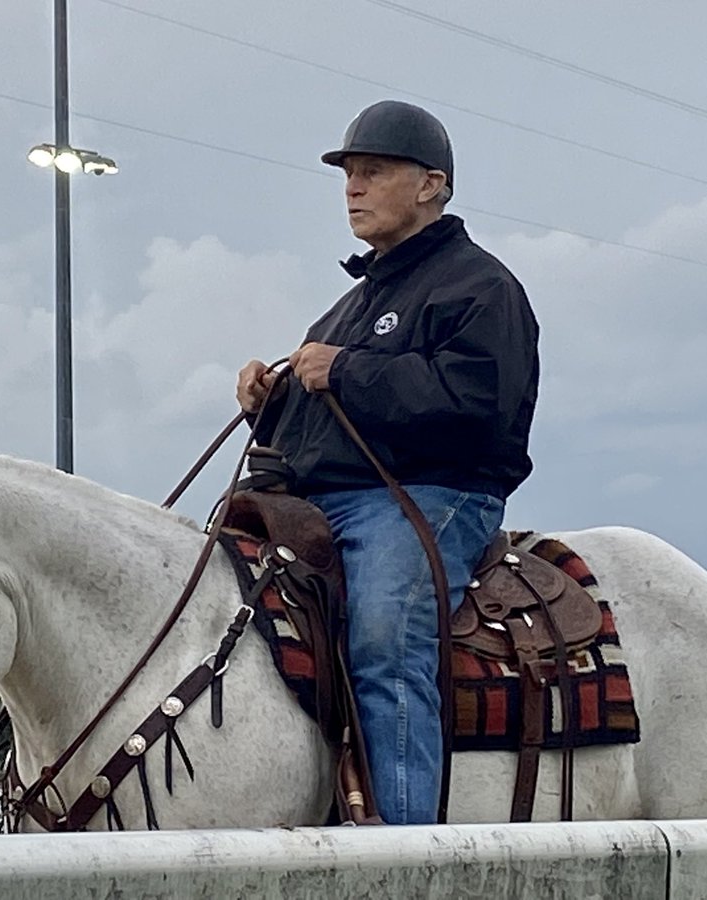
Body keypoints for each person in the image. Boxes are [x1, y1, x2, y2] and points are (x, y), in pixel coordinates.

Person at [235, 100, 539, 825]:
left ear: (432, 183)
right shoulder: (346, 308)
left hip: (432, 496)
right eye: (348, 173)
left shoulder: (481, 287)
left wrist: (348, 372)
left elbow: (477, 402)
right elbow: (326, 429)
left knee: (383, 640)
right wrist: (268, 404)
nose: (353, 187)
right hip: (319, 503)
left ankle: (407, 854)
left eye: (373, 171)